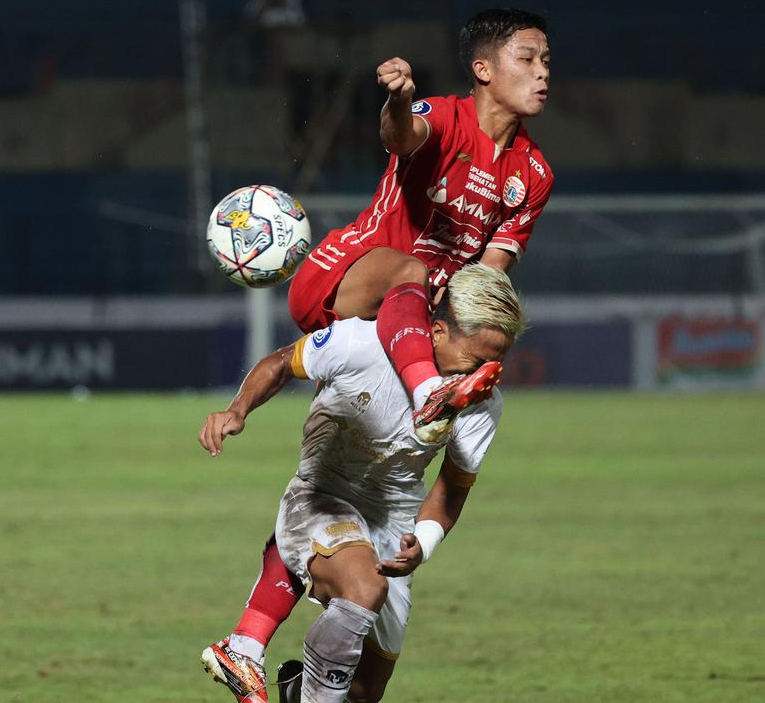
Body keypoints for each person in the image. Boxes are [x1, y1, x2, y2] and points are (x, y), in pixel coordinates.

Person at [203, 8, 553, 700]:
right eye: (527, 58)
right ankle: (424, 389)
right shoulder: (443, 116)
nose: (542, 73)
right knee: (413, 271)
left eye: (547, 61)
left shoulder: (533, 172)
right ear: (483, 69)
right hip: (349, 277)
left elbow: (487, 278)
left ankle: (259, 652)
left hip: (408, 326)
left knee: (333, 487)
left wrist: (478, 341)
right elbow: (402, 136)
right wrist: (396, 99)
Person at [200, 264, 525, 702]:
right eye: (478, 361)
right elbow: (280, 363)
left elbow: (452, 487)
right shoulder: (361, 342)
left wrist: (423, 543)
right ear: (436, 332)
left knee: (364, 692)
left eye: (497, 363)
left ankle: (296, 690)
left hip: (392, 522)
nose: (485, 375)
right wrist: (237, 410)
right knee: (365, 588)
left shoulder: (483, 403)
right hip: (320, 497)